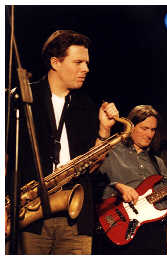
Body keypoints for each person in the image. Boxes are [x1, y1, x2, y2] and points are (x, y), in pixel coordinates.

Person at [6, 30, 119, 254]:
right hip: (29, 217)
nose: (86, 69)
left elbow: (92, 166)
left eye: (86, 62)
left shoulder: (86, 106)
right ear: (55, 62)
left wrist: (104, 130)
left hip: (76, 220)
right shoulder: (22, 98)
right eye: (78, 62)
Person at [93, 105, 167, 255]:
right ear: (131, 126)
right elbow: (94, 182)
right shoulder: (112, 152)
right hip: (117, 233)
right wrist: (118, 187)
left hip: (153, 240)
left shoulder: (158, 163)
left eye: (153, 130)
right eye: (144, 128)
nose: (150, 135)